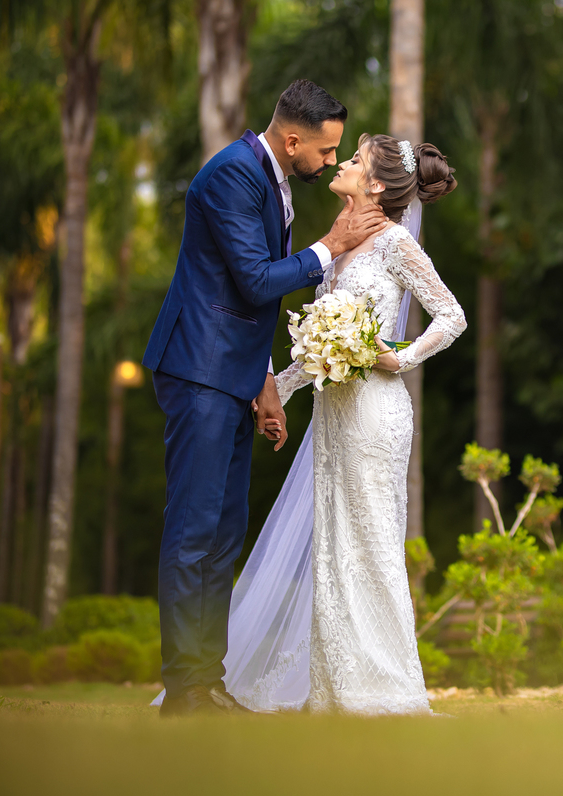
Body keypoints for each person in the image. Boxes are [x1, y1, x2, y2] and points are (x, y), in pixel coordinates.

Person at [142, 79, 387, 716]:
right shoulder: (232, 174)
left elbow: (242, 299)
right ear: (293, 140)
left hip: (233, 373)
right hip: (199, 371)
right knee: (193, 531)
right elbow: (254, 282)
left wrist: (266, 380)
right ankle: (183, 690)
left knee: (224, 534)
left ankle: (208, 682)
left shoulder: (271, 178)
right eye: (326, 151)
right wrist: (331, 245)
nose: (331, 162)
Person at [270, 133, 465, 714]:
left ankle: (387, 688)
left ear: (376, 185)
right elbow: (320, 344)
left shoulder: (397, 243)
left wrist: (400, 358)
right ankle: (335, 688)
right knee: (335, 545)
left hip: (375, 415)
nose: (343, 164)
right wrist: (277, 391)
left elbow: (451, 316)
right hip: (332, 414)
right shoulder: (339, 243)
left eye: (354, 161)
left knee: (372, 544)